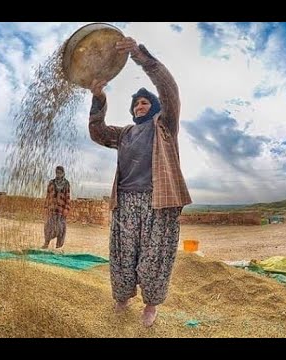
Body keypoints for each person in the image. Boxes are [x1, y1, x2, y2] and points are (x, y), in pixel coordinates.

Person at [88, 37, 191, 327]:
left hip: (159, 201)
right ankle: (122, 297)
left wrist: (138, 54)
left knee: (154, 256)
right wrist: (99, 98)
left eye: (145, 102)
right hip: (126, 201)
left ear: (156, 107)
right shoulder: (124, 134)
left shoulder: (165, 126)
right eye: (136, 104)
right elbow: (97, 132)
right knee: (122, 253)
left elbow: (169, 89)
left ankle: (150, 305)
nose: (140, 106)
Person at [42, 165, 71, 250]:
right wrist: (46, 207)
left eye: (60, 172)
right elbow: (48, 196)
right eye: (57, 172)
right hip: (51, 209)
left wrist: (67, 208)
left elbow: (68, 197)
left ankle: (59, 246)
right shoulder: (51, 182)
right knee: (48, 227)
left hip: (61, 211)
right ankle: (46, 243)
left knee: (61, 228)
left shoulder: (66, 183)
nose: (58, 174)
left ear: (63, 173)